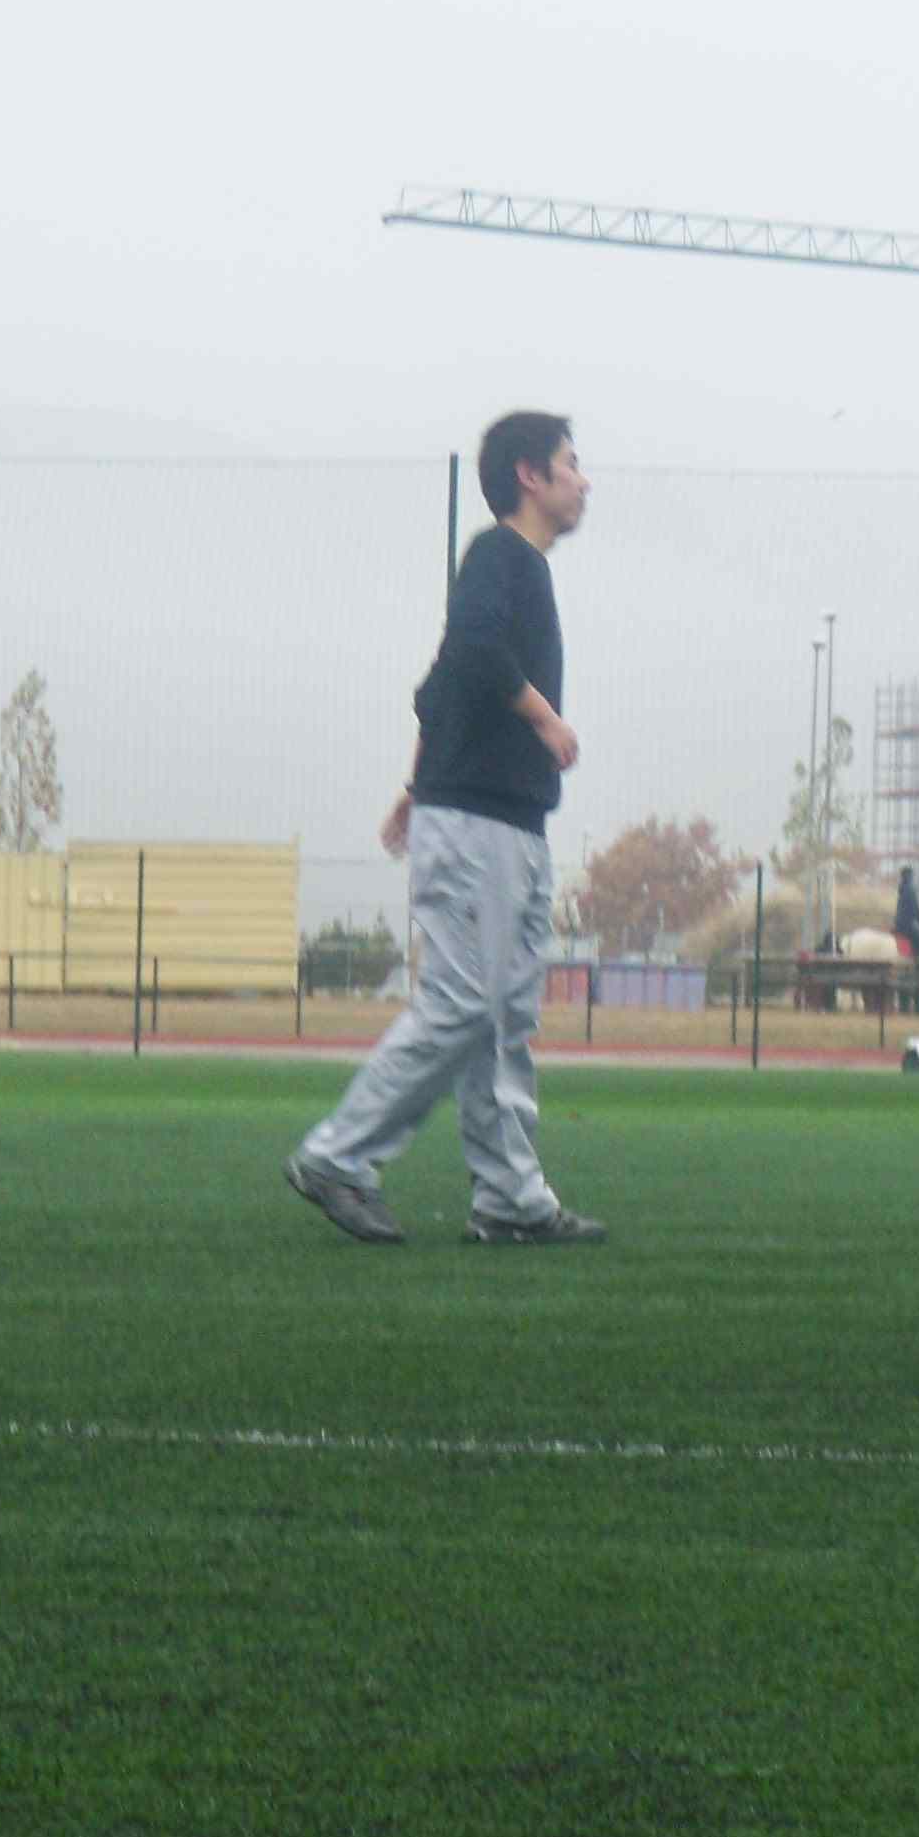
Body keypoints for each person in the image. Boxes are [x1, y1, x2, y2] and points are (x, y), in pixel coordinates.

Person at [284, 412, 605, 1247]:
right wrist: (546, 719)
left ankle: (510, 1199)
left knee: (500, 1017)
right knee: (466, 1004)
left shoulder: (519, 570)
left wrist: (413, 782)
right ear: (531, 477)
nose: (584, 480)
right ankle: (338, 1156)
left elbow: (439, 684)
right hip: (477, 825)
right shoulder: (500, 556)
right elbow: (474, 649)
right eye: (573, 464)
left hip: (502, 819)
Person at [889, 863, 919, 1015]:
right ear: (910, 876)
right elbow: (916, 910)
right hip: (907, 924)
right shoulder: (910, 890)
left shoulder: (902, 888)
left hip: (900, 922)